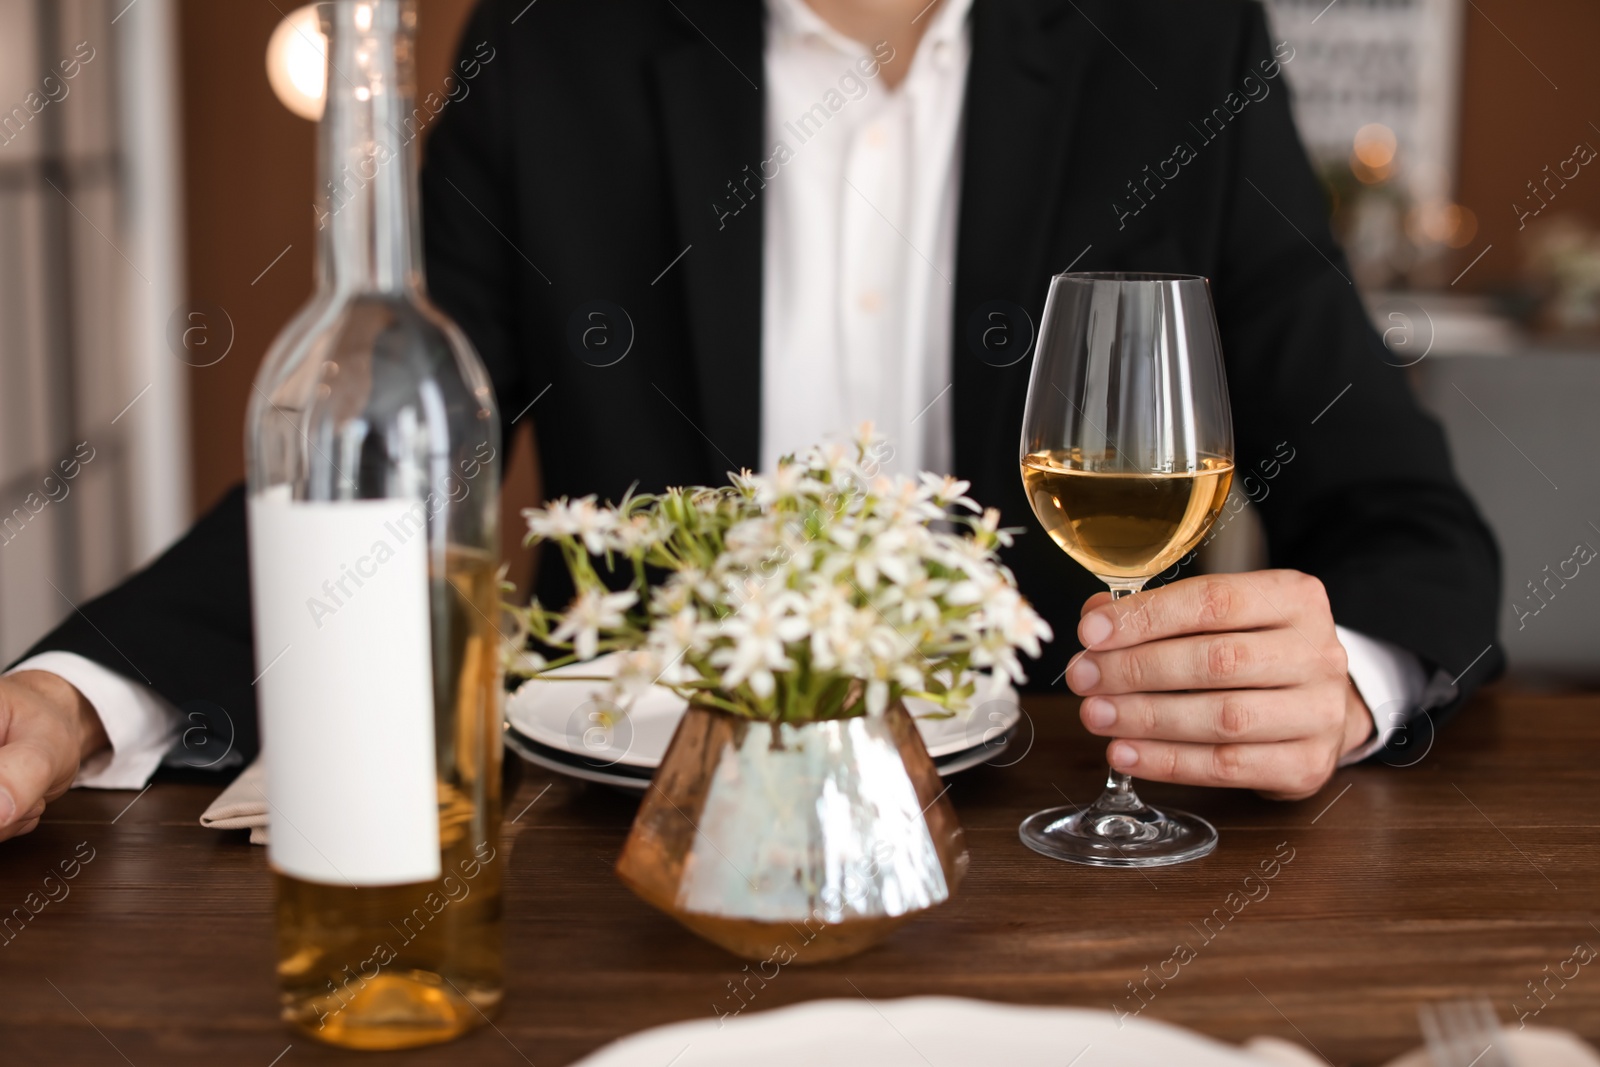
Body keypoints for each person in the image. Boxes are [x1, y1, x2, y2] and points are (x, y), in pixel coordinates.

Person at [0, 0, 1502, 844]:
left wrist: (1347, 680)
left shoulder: (1173, 43)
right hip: (632, 858)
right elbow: (375, 465)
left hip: (1055, 863)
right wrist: (77, 695)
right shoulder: (556, 40)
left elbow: (1407, 523)